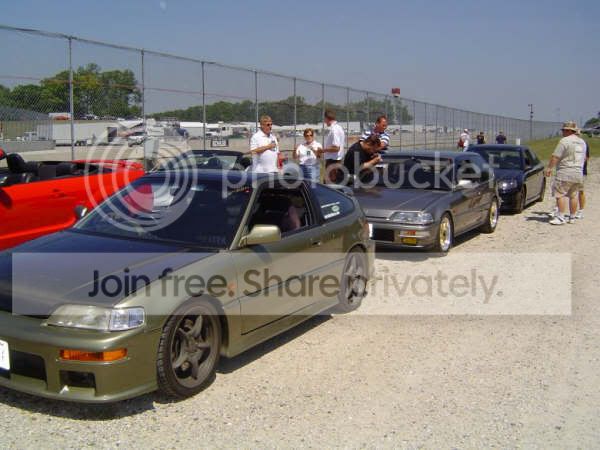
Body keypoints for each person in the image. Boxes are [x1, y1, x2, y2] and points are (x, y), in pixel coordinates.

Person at [544, 121, 586, 225]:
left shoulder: (564, 141)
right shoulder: (582, 142)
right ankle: (572, 217)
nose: (562, 132)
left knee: (560, 194)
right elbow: (584, 158)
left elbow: (556, 156)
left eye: (563, 130)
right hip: (578, 172)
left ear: (568, 131)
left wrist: (549, 168)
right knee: (573, 195)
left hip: (565, 170)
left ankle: (560, 216)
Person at [321, 109, 346, 183]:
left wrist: (323, 150)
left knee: (329, 185)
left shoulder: (334, 129)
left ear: (326, 118)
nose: (324, 121)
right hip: (335, 161)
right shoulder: (338, 128)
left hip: (333, 161)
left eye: (324, 119)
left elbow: (336, 148)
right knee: (332, 183)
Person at [575, 138, 590, 219]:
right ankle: (558, 209)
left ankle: (581, 211)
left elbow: (586, 158)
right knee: (563, 191)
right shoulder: (567, 142)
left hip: (581, 171)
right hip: (570, 170)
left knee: (581, 191)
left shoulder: (584, 143)